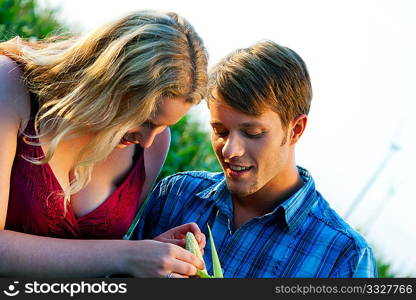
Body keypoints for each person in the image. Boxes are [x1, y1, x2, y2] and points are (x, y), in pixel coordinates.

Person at [135, 40, 378, 278]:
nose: (230, 151)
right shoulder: (176, 195)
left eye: (252, 133)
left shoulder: (346, 258)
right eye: (220, 131)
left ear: (295, 130)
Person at [0, 10, 208, 277]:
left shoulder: (152, 148)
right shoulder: (11, 84)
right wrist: (126, 255)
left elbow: (93, 266)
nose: (147, 141)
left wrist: (152, 254)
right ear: (109, 84)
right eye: (143, 119)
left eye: (164, 126)